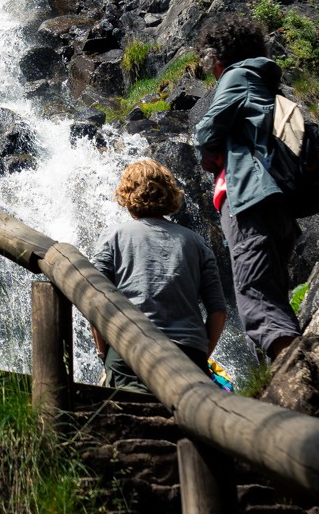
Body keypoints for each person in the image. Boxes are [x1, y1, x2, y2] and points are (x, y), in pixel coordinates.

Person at [192, 13, 301, 363]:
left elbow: (207, 132)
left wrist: (208, 154)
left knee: (257, 297)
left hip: (251, 199)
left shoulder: (237, 77)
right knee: (271, 294)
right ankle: (288, 373)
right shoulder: (266, 85)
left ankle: (299, 376)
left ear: (217, 57)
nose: (210, 71)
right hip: (278, 202)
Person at [89, 158, 228, 390]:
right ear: (169, 193)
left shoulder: (113, 236)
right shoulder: (196, 242)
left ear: (126, 194)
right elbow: (218, 311)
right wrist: (200, 354)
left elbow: (95, 300)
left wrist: (104, 353)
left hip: (129, 350)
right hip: (188, 354)